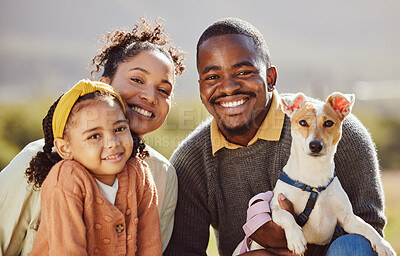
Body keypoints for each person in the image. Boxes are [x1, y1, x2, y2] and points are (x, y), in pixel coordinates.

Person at [164, 17, 387, 256]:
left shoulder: (334, 131)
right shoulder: (192, 161)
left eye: (243, 72)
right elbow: (183, 251)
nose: (228, 87)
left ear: (270, 78)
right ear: (200, 87)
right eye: (212, 77)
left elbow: (367, 232)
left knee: (351, 247)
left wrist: (296, 242)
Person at [0, 17, 185, 256]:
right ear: (104, 86)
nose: (150, 96)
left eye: (163, 90)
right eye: (137, 80)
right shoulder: (36, 162)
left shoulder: (162, 175)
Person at [27, 79, 161, 255]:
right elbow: (68, 250)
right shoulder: (67, 178)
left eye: (120, 129)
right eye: (94, 136)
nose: (112, 143)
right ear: (65, 148)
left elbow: (150, 245)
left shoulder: (139, 173)